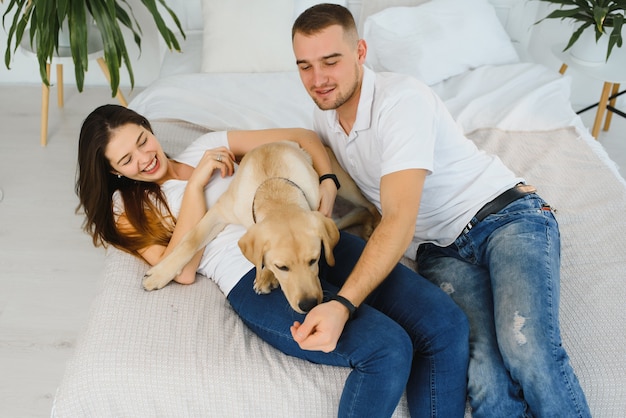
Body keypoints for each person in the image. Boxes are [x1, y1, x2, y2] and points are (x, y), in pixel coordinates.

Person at [290, 3, 592, 418]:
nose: (318, 79)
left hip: (504, 219)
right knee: (485, 376)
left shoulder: (401, 101)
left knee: (526, 348)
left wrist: (343, 304)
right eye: (304, 66)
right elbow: (301, 138)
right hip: (439, 252)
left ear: (360, 52)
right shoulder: (323, 117)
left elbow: (398, 219)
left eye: (330, 61)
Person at [76, 104, 469, 418]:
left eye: (143, 141)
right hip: (255, 275)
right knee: (388, 348)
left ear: (149, 129)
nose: (144, 158)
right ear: (113, 172)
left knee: (445, 324)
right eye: (126, 160)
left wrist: (328, 184)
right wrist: (195, 185)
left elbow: (301, 138)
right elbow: (180, 269)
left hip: (310, 241)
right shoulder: (128, 208)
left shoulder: (211, 144)